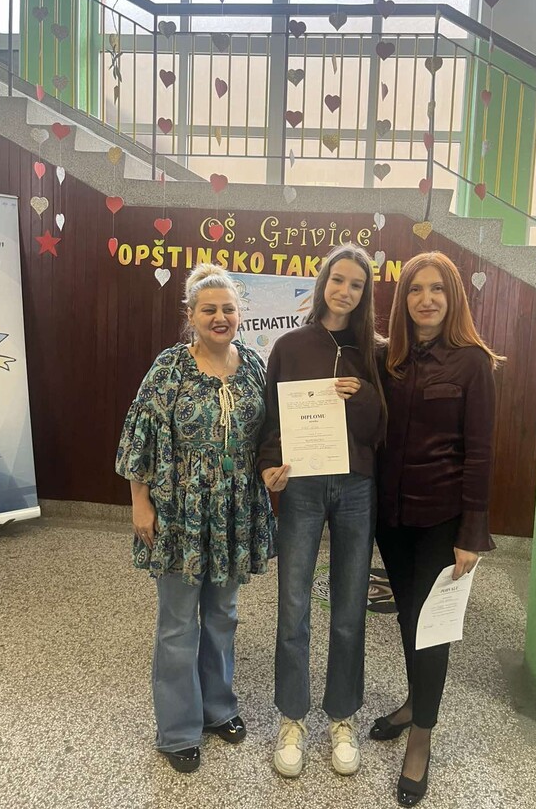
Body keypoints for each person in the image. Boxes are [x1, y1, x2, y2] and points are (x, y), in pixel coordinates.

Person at [115, 263, 275, 773]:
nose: (220, 317)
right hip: (178, 511)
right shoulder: (169, 368)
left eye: (228, 309)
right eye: (209, 310)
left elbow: (271, 433)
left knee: (223, 614)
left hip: (234, 512)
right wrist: (140, 502)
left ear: (240, 314)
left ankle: (218, 708)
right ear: (191, 315)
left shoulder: (253, 366)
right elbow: (139, 435)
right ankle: (179, 729)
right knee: (178, 622)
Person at [371, 251, 503, 807]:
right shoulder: (388, 360)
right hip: (391, 518)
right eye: (415, 289)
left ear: (453, 298)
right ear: (403, 299)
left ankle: (421, 737)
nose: (426, 299)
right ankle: (414, 703)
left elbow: (481, 454)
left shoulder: (474, 363)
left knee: (432, 629)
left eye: (437, 289)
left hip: (442, 520)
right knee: (407, 617)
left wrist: (472, 532)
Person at [259, 243, 386, 778]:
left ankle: (342, 717)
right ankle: (292, 718)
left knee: (350, 607)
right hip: (304, 487)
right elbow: (271, 420)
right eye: (339, 280)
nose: (345, 291)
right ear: (323, 283)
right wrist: (269, 465)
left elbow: (383, 430)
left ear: (366, 294)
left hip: (356, 487)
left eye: (357, 285)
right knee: (293, 604)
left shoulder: (376, 352)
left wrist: (363, 395)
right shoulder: (290, 346)